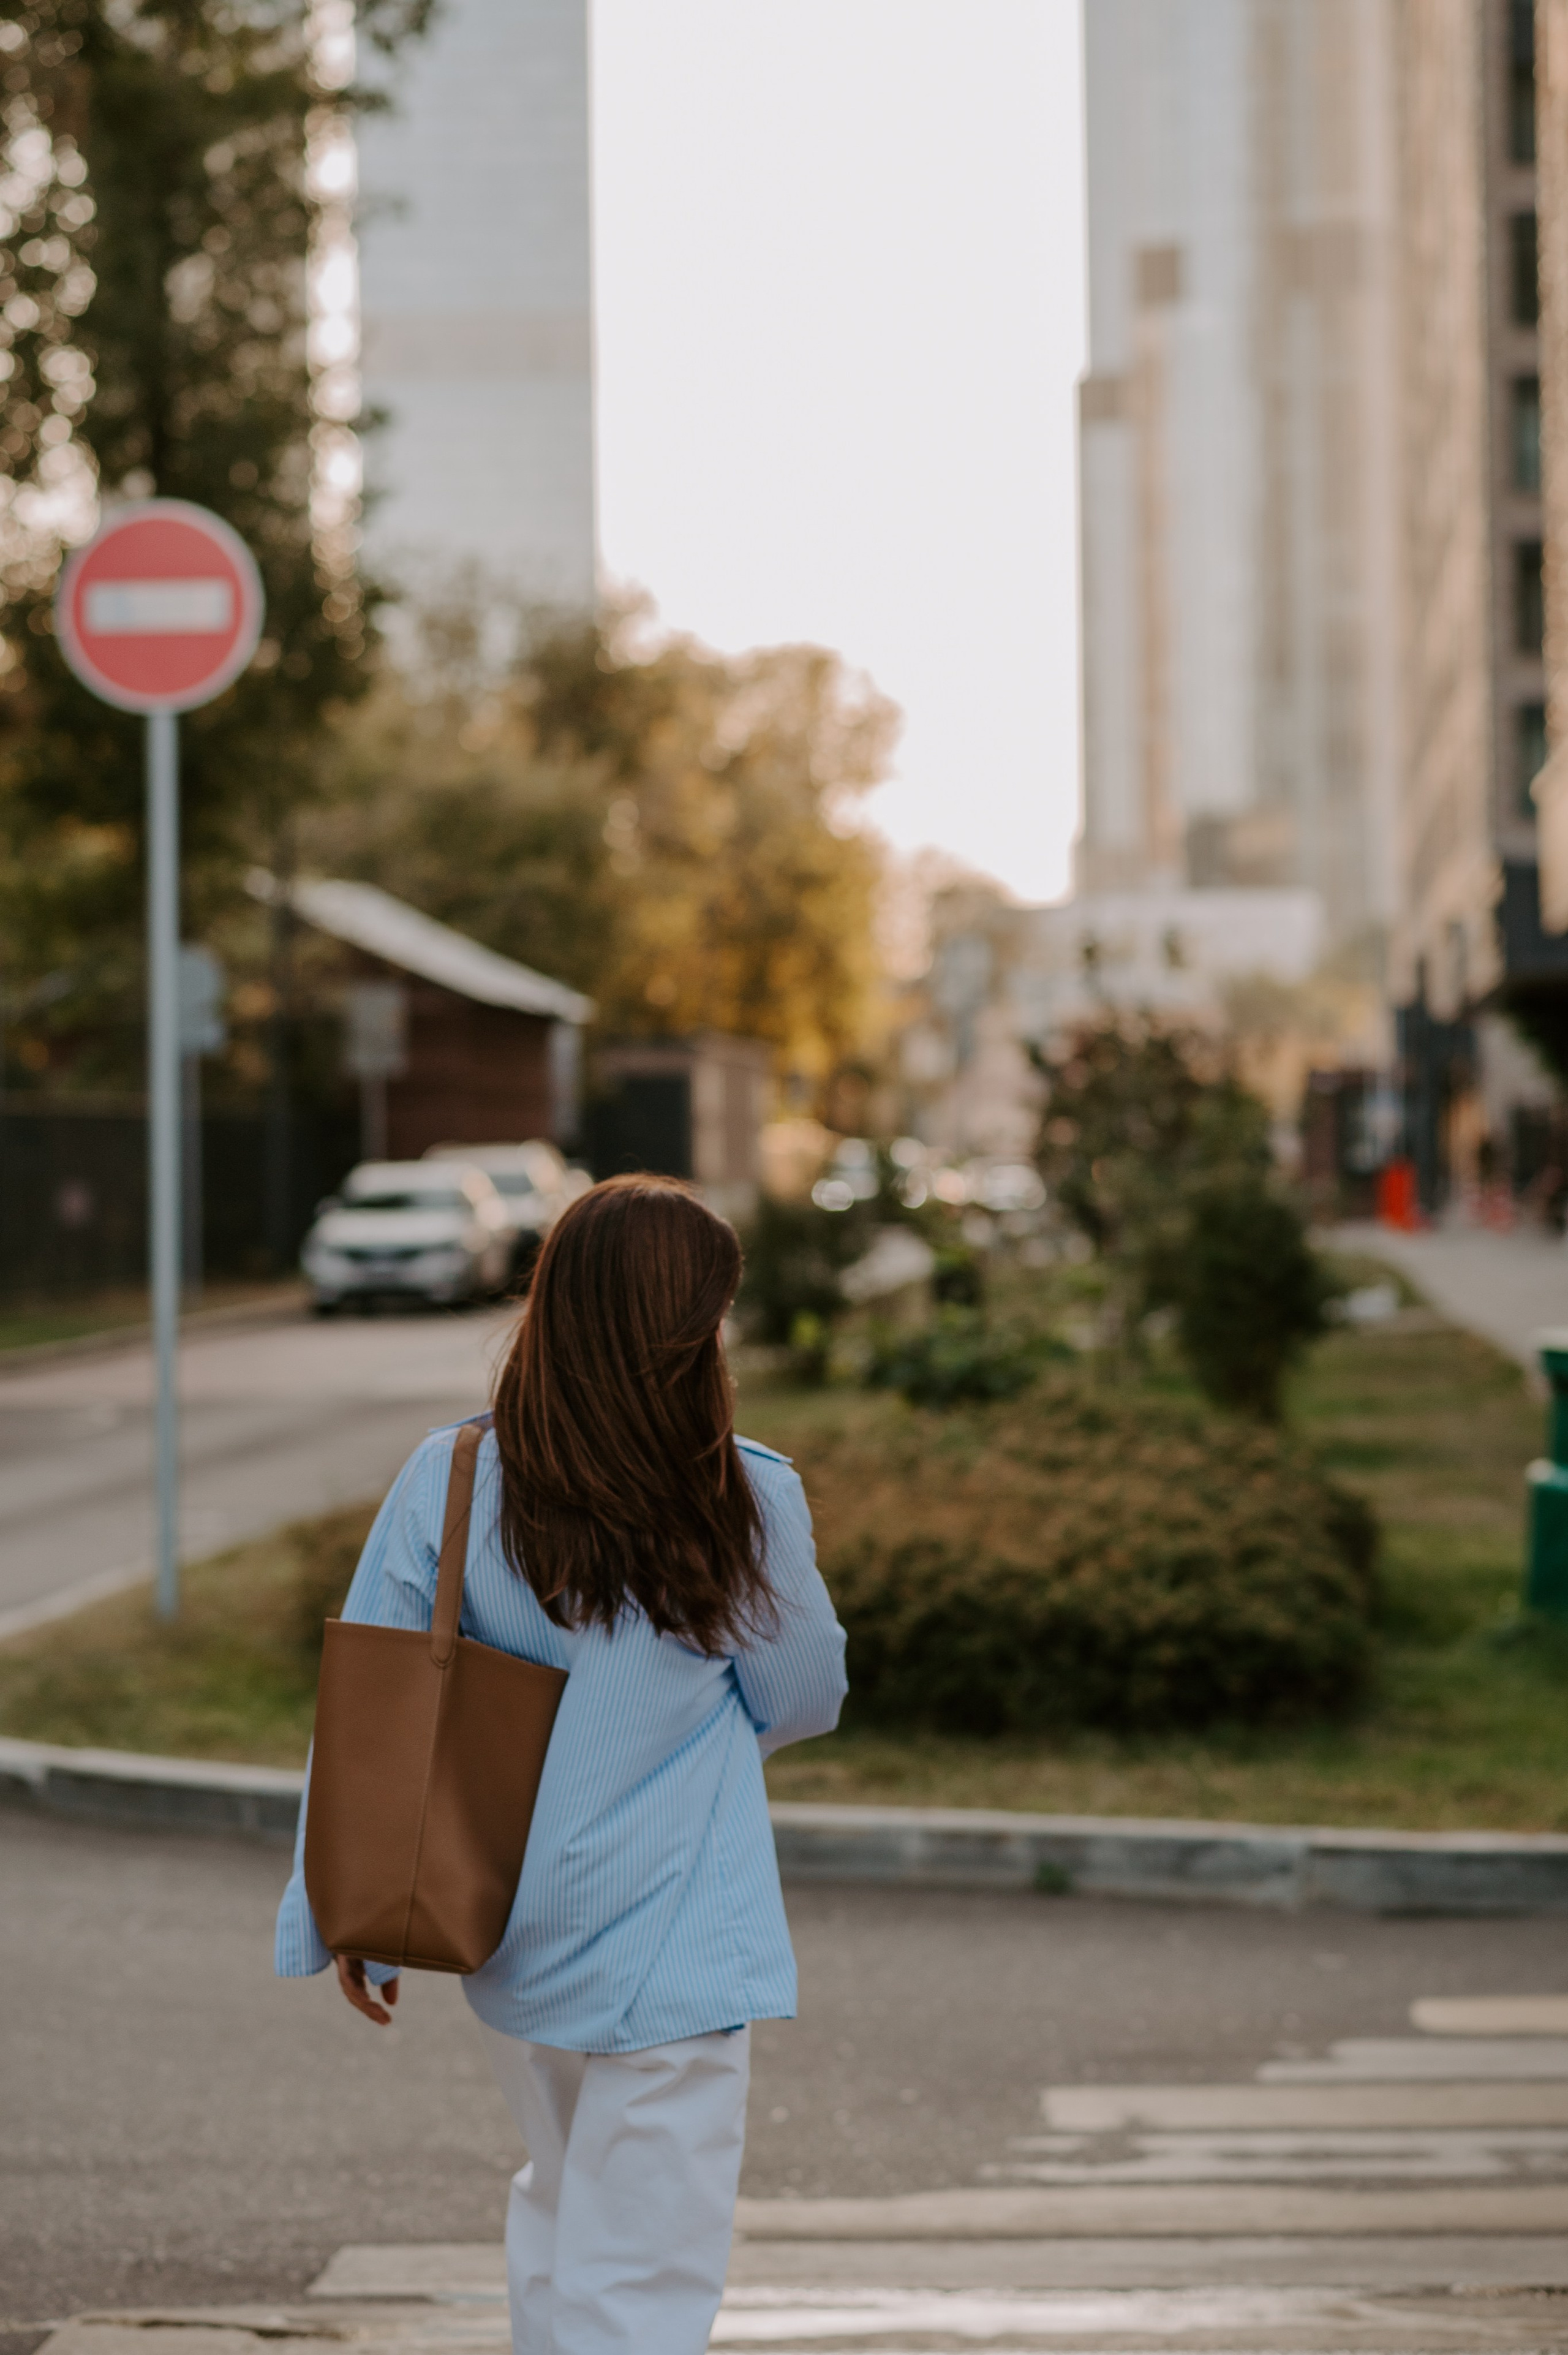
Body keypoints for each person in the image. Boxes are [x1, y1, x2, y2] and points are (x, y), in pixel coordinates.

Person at [275, 1174, 848, 2355]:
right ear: (693, 1331)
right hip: (677, 1949)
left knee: (560, 2227)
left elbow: (374, 1714)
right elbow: (806, 1695)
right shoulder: (741, 1493)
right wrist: (693, 1732)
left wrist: (350, 1916)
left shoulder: (451, 1477)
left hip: (512, 1931)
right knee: (638, 2284)